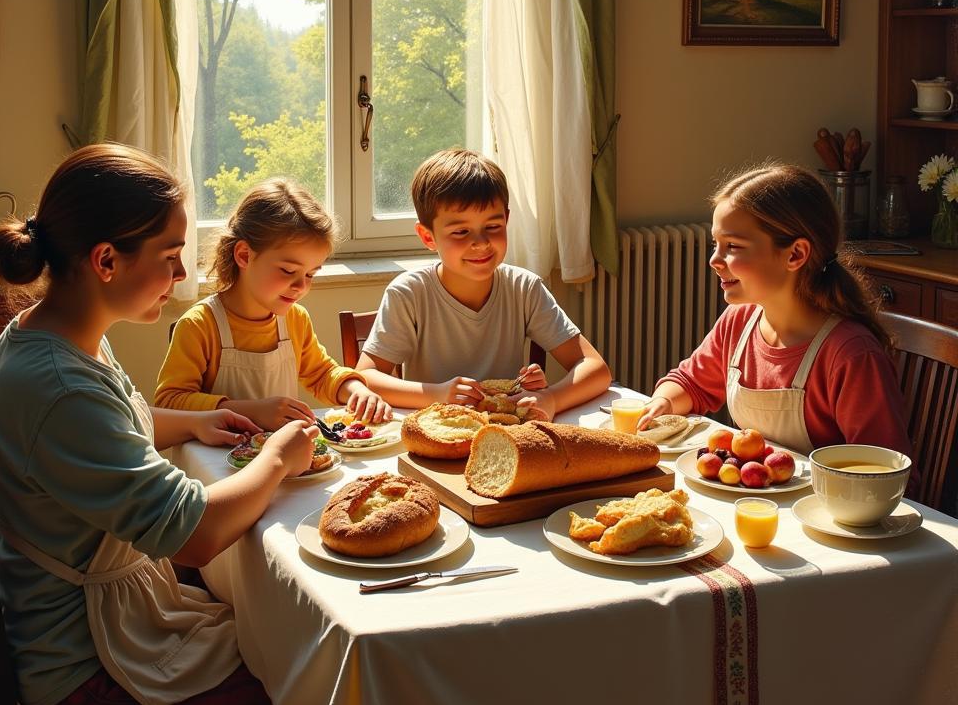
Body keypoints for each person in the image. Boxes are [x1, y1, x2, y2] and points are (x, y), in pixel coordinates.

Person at [0, 143, 312, 705]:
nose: (182, 275)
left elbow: (111, 426)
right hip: (89, 676)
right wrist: (277, 458)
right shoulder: (61, 389)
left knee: (288, 642)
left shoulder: (54, 333)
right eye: (171, 256)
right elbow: (196, 536)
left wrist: (191, 422)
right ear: (107, 260)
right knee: (304, 693)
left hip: (99, 624)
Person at [638, 162, 914, 458]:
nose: (714, 260)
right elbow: (691, 383)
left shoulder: (850, 354)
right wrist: (663, 402)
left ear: (795, 254)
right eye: (715, 244)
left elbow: (885, 473)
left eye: (733, 246)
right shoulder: (739, 320)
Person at [356, 148, 611, 420]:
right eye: (461, 231)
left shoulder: (524, 288)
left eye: (493, 226)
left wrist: (549, 398)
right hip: (435, 432)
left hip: (504, 434)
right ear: (428, 237)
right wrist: (437, 393)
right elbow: (365, 376)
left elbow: (596, 368)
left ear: (507, 221)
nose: (481, 243)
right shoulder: (408, 293)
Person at [156, 178, 391, 425]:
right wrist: (249, 410)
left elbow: (322, 374)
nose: (301, 286)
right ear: (244, 255)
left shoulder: (295, 319)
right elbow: (170, 401)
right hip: (217, 460)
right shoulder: (200, 325)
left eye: (310, 274)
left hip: (282, 456)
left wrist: (356, 390)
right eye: (288, 271)